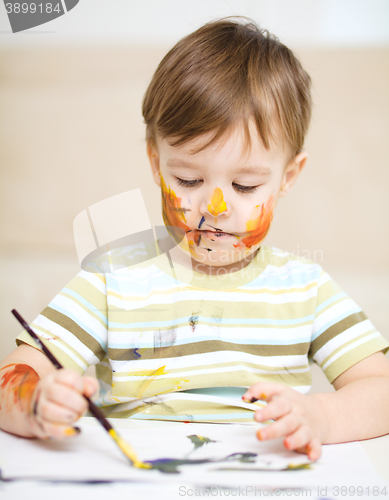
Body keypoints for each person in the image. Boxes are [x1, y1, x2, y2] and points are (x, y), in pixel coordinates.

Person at [1, 18, 388, 461]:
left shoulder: (306, 287)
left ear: (288, 177)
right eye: (187, 179)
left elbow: (381, 391)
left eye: (245, 186)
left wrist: (322, 416)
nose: (214, 208)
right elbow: (12, 377)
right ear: (155, 163)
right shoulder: (113, 280)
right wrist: (34, 402)